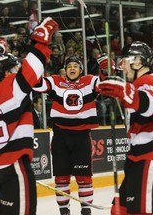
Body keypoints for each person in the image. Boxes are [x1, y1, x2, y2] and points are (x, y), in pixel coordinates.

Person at [0, 17, 59, 215]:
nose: (15, 71)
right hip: (12, 168)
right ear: (4, 72)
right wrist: (42, 42)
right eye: (12, 69)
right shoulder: (13, 89)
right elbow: (34, 67)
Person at [99, 41, 153, 215]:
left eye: (125, 62)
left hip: (151, 156)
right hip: (141, 157)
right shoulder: (150, 81)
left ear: (137, 61)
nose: (122, 67)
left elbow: (149, 105)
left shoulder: (147, 81)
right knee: (119, 209)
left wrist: (125, 92)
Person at [33, 54, 114, 215]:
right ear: (65, 70)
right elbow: (37, 83)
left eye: (75, 66)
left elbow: (105, 85)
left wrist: (105, 67)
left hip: (81, 138)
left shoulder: (89, 81)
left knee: (84, 177)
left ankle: (85, 211)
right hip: (60, 138)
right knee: (61, 178)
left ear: (81, 70)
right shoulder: (56, 81)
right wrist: (36, 64)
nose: (72, 68)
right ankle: (64, 211)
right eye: (69, 66)